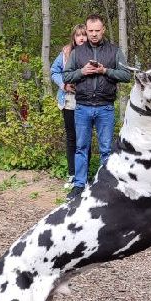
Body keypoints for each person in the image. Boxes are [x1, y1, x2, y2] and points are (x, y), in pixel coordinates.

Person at [62, 14, 131, 197]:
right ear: (87, 30)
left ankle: (104, 185)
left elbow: (126, 75)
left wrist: (105, 70)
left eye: (97, 31)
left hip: (105, 107)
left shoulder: (114, 51)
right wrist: (82, 71)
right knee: (81, 147)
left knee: (106, 149)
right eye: (90, 31)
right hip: (82, 106)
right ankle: (79, 185)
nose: (93, 34)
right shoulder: (77, 52)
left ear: (103, 30)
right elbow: (66, 76)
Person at [51, 24, 89, 184]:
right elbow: (54, 71)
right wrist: (64, 85)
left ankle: (84, 177)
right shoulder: (66, 52)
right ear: (73, 37)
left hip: (87, 100)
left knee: (84, 139)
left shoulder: (93, 53)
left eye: (84, 35)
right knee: (72, 137)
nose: (81, 38)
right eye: (78, 35)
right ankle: (72, 174)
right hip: (69, 100)